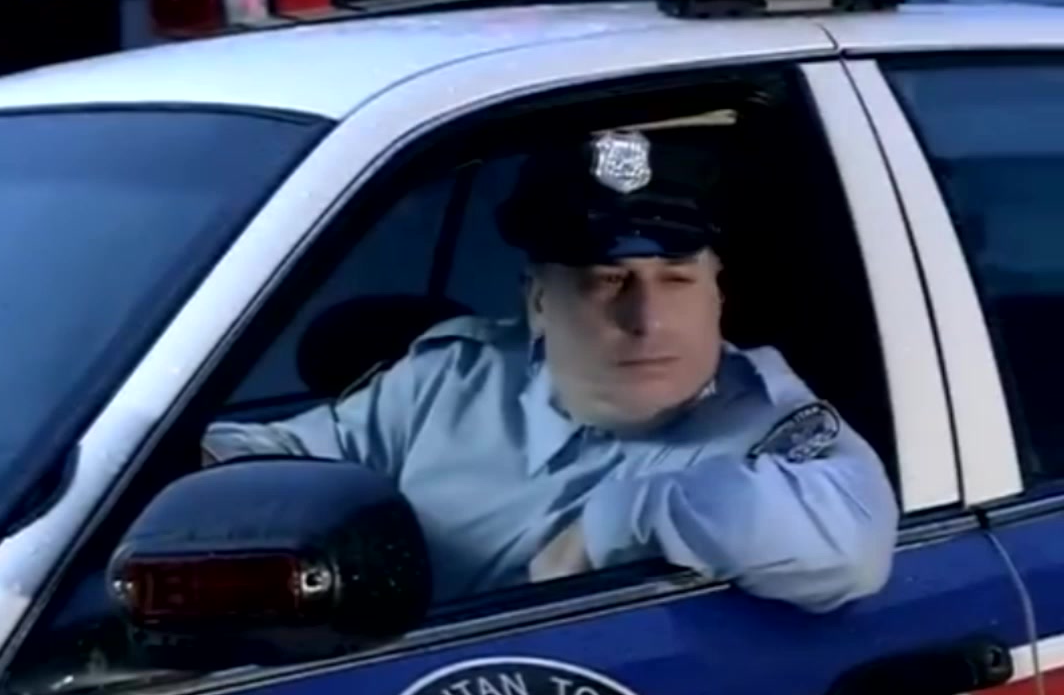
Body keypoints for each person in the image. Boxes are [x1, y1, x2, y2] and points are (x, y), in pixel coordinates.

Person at [202, 125, 899, 613]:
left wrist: (619, 521)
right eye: (606, 281)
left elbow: (851, 546)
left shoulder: (763, 424)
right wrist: (193, 470)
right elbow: (276, 459)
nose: (647, 319)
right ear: (537, 301)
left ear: (719, 293)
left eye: (677, 279)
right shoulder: (457, 379)